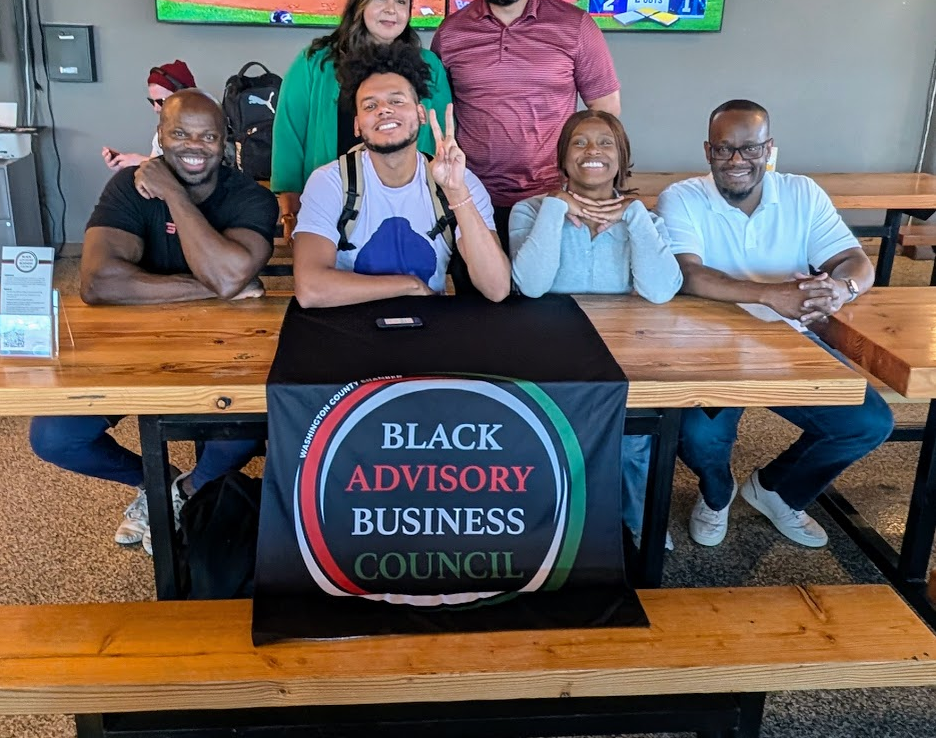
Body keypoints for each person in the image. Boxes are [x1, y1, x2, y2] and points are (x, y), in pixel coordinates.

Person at [30, 89, 279, 554]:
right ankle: (157, 482)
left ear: (225, 143)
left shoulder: (248, 197)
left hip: (225, 349)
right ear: (160, 135)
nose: (194, 145)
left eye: (208, 136)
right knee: (55, 438)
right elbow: (99, 284)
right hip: (131, 344)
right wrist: (215, 286)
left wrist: (170, 191)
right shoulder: (127, 187)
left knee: (247, 424)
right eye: (180, 133)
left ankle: (187, 493)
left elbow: (228, 271)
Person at [656, 99, 892, 549]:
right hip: (710, 345)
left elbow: (853, 260)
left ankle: (777, 489)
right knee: (697, 434)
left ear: (769, 150)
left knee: (868, 423)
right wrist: (768, 294)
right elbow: (686, 273)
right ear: (708, 151)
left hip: (791, 340)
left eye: (750, 149)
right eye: (725, 150)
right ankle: (717, 492)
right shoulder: (683, 197)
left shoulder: (802, 192)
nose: (737, 161)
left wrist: (844, 290)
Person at [509, 109, 682, 548]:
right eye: (579, 143)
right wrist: (555, 209)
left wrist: (634, 217)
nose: (592, 152)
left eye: (605, 143)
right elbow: (530, 285)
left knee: (635, 443)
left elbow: (661, 291)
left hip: (622, 356)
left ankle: (638, 520)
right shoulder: (529, 211)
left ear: (622, 158)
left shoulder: (646, 220)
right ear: (563, 158)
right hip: (551, 353)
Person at [432, 0, 621, 243]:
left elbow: (605, 114)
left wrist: (598, 188)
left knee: (544, 292)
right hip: (472, 196)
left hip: (555, 198)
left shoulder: (575, 25)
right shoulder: (451, 33)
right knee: (480, 291)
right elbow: (440, 113)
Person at [292, 43, 510, 307]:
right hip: (350, 326)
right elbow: (310, 289)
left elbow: (497, 288)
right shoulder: (330, 182)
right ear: (357, 126)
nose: (384, 109)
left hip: (428, 330)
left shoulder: (459, 181)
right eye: (370, 106)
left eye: (397, 100)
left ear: (420, 114)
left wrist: (456, 193)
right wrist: (411, 286)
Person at [271, 0, 452, 240]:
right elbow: (289, 133)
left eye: (401, 1)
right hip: (331, 208)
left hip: (410, 209)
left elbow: (440, 139)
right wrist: (290, 209)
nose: (391, 9)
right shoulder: (316, 62)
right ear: (360, 2)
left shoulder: (428, 67)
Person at [101, 61, 196, 170]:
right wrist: (124, 165)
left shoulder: (202, 131)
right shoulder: (162, 131)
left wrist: (140, 161)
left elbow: (188, 174)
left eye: (162, 101)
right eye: (153, 101)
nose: (156, 108)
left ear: (185, 98)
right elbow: (155, 175)